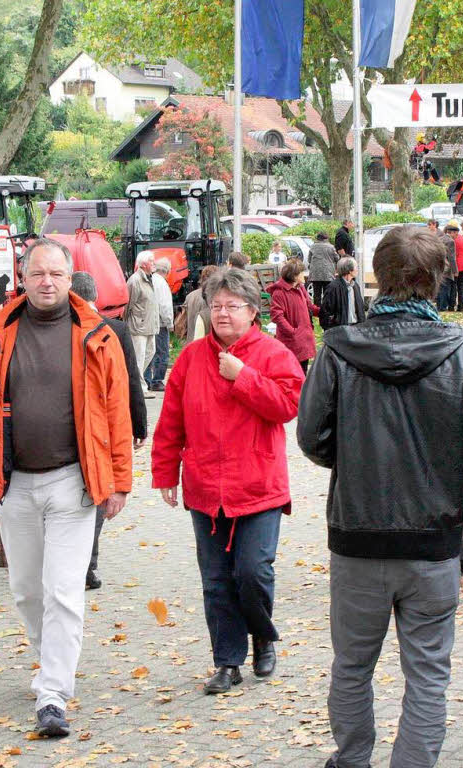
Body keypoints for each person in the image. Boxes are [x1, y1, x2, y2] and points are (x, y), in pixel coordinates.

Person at [298, 226, 463, 768]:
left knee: (352, 665)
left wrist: (353, 462)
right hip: (433, 540)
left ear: (378, 276)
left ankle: (351, 760)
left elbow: (313, 439)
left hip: (358, 535)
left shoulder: (338, 351)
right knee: (428, 676)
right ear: (437, 281)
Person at [0, 240, 132, 738]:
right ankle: (49, 659)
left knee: (63, 591)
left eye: (56, 273)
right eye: (38, 274)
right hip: (13, 484)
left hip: (73, 482)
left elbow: (118, 411)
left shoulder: (97, 334)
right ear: (24, 278)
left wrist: (119, 479)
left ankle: (53, 693)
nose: (48, 282)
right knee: (27, 590)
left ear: (69, 276)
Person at [152, 268, 305, 694]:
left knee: (253, 572)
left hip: (258, 487)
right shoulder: (190, 357)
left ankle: (262, 634)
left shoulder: (272, 354)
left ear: (252, 312)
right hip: (206, 489)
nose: (222, 314)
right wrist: (165, 471)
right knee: (217, 580)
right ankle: (227, 661)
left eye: (232, 307)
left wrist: (244, 377)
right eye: (216, 306)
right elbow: (171, 421)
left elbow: (288, 406)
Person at [69, 271, 148, 591]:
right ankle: (88, 565)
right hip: (103, 430)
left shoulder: (68, 329)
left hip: (74, 429)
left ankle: (79, 564)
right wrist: (139, 425)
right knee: (96, 496)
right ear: (96, 297)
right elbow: (131, 379)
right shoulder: (114, 328)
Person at [269, 258, 320, 373]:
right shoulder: (279, 292)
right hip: (291, 342)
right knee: (291, 374)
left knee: (303, 373)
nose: (304, 275)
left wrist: (323, 312)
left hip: (303, 340)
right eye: (302, 272)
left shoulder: (301, 288)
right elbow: (277, 316)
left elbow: (309, 306)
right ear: (295, 275)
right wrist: (292, 332)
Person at [124, 251, 160, 396]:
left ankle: (133, 380)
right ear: (144, 264)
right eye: (151, 261)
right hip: (138, 326)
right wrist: (127, 324)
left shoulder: (149, 278)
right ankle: (140, 388)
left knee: (150, 353)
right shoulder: (135, 280)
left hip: (150, 325)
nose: (154, 263)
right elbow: (127, 305)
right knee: (138, 358)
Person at [147, 256, 175, 392]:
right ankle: (157, 381)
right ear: (168, 271)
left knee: (149, 352)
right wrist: (170, 323)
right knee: (162, 353)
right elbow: (165, 306)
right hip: (161, 323)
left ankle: (146, 380)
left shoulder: (149, 280)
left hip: (148, 322)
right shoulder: (162, 283)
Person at [319, 257, 366, 330]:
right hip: (340, 331)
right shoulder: (333, 287)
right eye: (356, 267)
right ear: (350, 270)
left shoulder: (355, 286)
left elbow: (361, 308)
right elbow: (325, 312)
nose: (357, 269)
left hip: (356, 329)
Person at [181, 264, 219, 344]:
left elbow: (184, 322)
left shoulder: (190, 296)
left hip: (190, 340)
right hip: (205, 343)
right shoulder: (213, 297)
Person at [428, 219, 457, 311]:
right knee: (445, 288)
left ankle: (439, 306)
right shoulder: (450, 241)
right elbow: (451, 257)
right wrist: (455, 270)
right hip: (446, 267)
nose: (456, 235)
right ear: (451, 233)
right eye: (456, 233)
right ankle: (443, 306)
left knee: (440, 287)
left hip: (438, 266)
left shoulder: (440, 238)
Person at [445, 219, 463, 312]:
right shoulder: (461, 237)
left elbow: (452, 255)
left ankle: (451, 306)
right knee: (461, 286)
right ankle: (461, 306)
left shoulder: (453, 239)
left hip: (457, 265)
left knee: (453, 286)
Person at [308, 231, 338, 305]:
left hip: (315, 274)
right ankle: (326, 312)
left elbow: (309, 260)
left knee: (316, 294)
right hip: (328, 274)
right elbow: (337, 258)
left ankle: (317, 311)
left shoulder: (313, 247)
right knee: (327, 294)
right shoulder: (331, 247)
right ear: (326, 238)